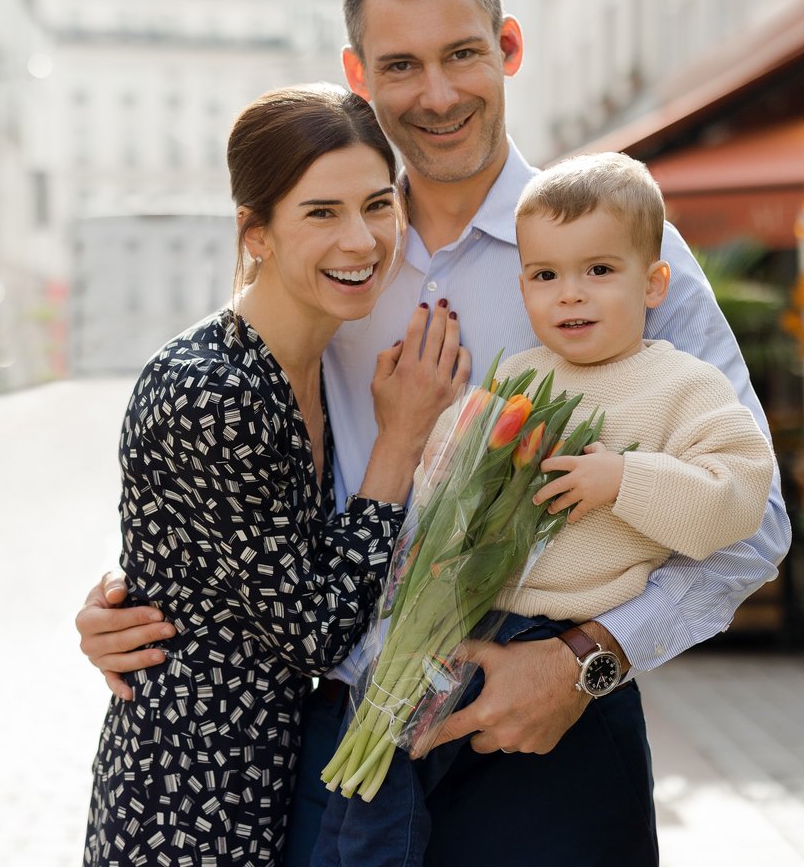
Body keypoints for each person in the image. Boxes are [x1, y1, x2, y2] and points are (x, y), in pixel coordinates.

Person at [76, 0, 792, 866]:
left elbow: (756, 520)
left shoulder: (618, 252)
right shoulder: (337, 252)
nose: (439, 94)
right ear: (358, 73)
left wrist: (586, 660)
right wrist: (144, 605)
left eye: (463, 54)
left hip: (551, 730)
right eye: (401, 65)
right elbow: (227, 442)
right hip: (337, 731)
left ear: (509, 48)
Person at [312, 151, 777, 867]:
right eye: (545, 276)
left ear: (656, 283)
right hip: (459, 619)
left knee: (413, 762)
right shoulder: (523, 375)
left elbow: (743, 500)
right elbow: (449, 479)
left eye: (598, 272)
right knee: (380, 772)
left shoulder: (684, 386)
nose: (570, 296)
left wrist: (624, 480)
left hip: (559, 640)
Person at [83, 83, 470, 867]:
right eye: (321, 213)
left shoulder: (321, 361)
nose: (361, 241)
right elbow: (315, 631)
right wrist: (400, 443)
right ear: (255, 233)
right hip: (191, 802)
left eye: (376, 205)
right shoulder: (211, 389)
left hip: (288, 785)